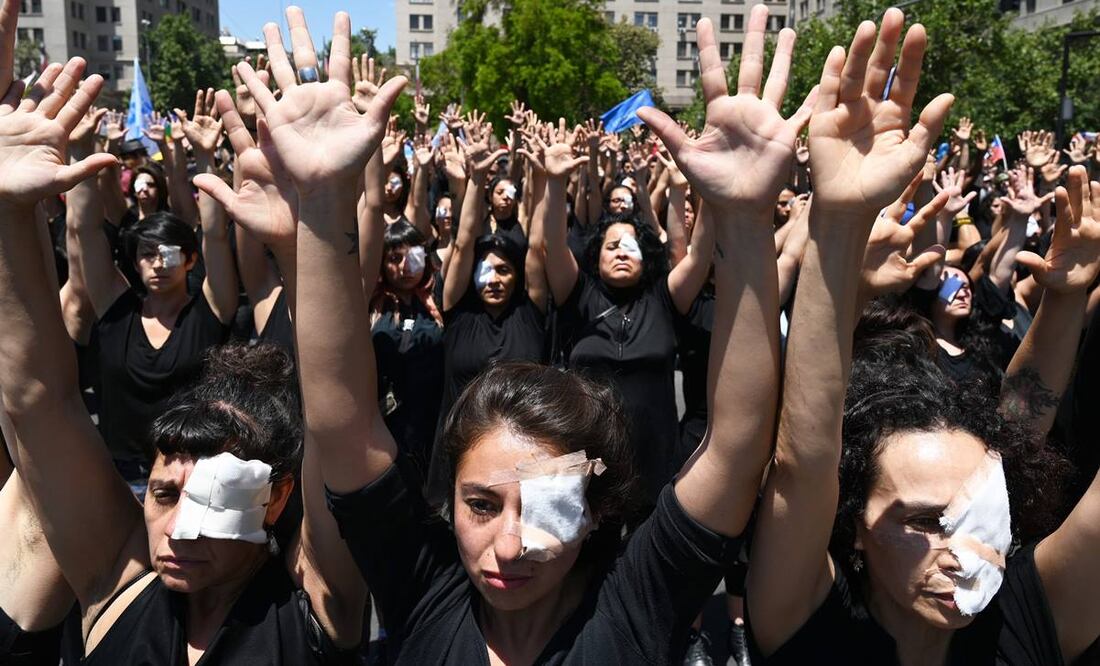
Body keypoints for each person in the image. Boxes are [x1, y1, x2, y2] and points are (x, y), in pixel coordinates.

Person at [269, 6, 802, 663]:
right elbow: (342, 423)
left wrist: (747, 220)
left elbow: (739, 442)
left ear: (597, 507)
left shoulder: (636, 603)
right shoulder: (426, 590)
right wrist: (322, 200)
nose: (512, 546)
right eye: (482, 505)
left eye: (549, 507)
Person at [0, 6, 380, 662]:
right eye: (166, 494)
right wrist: (7, 214)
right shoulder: (116, 585)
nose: (176, 529)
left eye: (209, 498)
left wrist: (322, 207)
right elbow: (37, 400)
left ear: (275, 497)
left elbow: (338, 422)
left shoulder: (316, 607)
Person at [745, 11, 1100, 664]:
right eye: (925, 522)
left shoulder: (1026, 617)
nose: (961, 551)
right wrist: (839, 227)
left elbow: (1022, 421)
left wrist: (1066, 297)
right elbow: (804, 457)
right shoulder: (806, 624)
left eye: (979, 515)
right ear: (855, 526)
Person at [69, 92, 239, 493]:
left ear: (190, 261)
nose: (158, 263)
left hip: (191, 477)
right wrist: (80, 153)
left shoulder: (209, 309)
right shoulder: (116, 306)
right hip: (115, 478)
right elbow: (85, 231)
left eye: (168, 254)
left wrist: (204, 158)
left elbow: (214, 233)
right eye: (147, 254)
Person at [369, 220, 445, 478]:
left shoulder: (439, 296)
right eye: (394, 258)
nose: (404, 267)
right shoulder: (374, 303)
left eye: (412, 256)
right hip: (388, 425)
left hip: (435, 422)